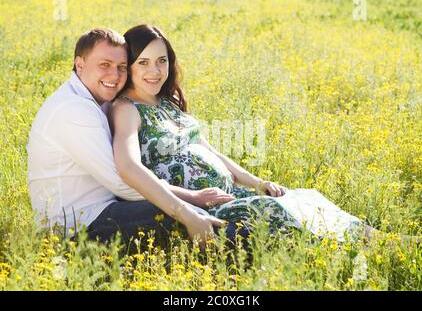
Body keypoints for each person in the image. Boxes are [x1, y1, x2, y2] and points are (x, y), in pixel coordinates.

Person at [111, 24, 383, 244]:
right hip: (199, 209)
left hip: (227, 196)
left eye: (162, 60)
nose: (155, 71)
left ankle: (380, 240)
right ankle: (356, 248)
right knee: (277, 212)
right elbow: (128, 167)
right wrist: (190, 202)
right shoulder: (127, 110)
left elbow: (210, 151)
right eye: (143, 63)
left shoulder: (166, 103)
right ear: (129, 67)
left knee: (301, 197)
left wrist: (257, 182)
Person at [27, 28, 231, 250]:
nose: (114, 75)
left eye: (121, 67)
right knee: (189, 217)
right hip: (76, 228)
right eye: (104, 65)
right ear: (80, 64)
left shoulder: (97, 98)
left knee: (191, 213)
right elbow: (123, 184)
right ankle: (242, 252)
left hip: (105, 209)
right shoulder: (73, 110)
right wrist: (192, 199)